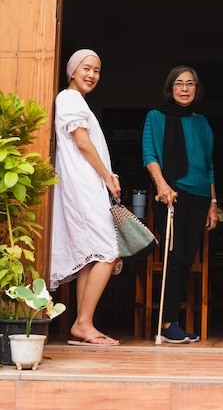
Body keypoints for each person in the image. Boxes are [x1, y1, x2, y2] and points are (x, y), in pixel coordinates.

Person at [50, 49, 122, 346]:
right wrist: (108, 176)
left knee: (92, 255)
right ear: (72, 71)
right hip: (83, 186)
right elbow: (81, 141)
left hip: (86, 185)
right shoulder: (69, 98)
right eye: (86, 68)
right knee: (109, 250)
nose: (92, 75)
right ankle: (83, 322)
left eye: (97, 70)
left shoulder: (77, 101)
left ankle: (83, 323)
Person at [142, 65, 218, 344]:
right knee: (173, 258)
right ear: (169, 88)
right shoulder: (156, 116)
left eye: (190, 84)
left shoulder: (202, 123)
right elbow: (149, 153)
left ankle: (173, 321)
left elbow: (209, 165)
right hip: (170, 194)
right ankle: (166, 323)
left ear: (196, 90)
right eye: (178, 83)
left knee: (186, 260)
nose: (184, 88)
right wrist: (162, 185)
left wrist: (212, 203)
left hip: (199, 196)